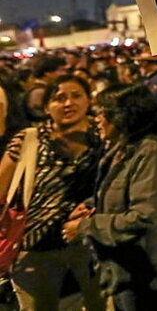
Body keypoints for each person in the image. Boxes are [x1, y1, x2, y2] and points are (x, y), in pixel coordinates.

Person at [63, 84, 157, 310]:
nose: (96, 119)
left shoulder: (151, 151)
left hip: (142, 268)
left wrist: (85, 226)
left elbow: (143, 215)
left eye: (102, 112)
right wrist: (90, 206)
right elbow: (116, 191)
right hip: (120, 265)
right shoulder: (124, 146)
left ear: (124, 116)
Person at [0, 75, 104, 311]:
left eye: (76, 96)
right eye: (59, 98)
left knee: (99, 302)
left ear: (89, 100)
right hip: (36, 245)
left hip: (90, 239)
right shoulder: (29, 139)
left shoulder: (102, 135)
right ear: (46, 107)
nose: (69, 103)